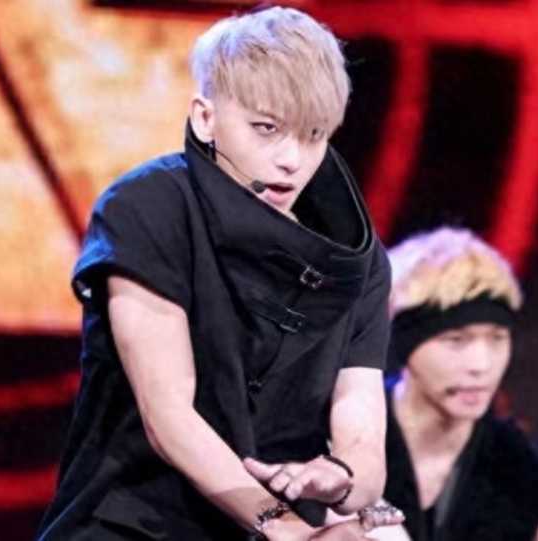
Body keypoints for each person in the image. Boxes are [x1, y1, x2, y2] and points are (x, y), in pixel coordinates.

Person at [35, 6, 403, 541]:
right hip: (137, 521)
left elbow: (363, 439)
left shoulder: (359, 262)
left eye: (313, 134)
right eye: (267, 129)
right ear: (205, 118)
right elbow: (169, 417)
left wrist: (342, 478)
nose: (292, 159)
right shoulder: (148, 209)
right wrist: (282, 527)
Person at [382, 227, 538, 541]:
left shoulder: (523, 471)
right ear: (404, 344)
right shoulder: (336, 440)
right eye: (455, 340)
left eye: (497, 338)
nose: (481, 365)